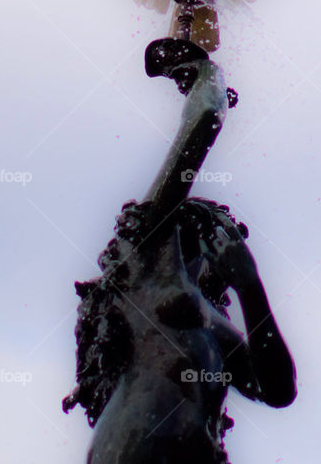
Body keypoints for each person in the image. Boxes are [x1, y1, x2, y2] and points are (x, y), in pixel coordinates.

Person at [64, 198, 296, 463]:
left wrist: (250, 286)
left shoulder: (214, 328)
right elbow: (168, 195)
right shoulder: (155, 272)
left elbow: (279, 391)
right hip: (138, 444)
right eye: (221, 240)